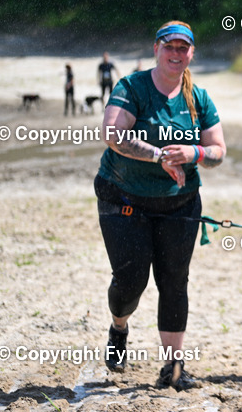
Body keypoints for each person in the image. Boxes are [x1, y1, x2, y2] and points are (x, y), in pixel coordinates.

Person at [95, 21, 226, 390]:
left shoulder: (198, 98)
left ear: (191, 54)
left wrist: (194, 152)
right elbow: (112, 134)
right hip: (123, 197)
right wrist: (159, 157)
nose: (176, 53)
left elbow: (217, 151)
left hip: (179, 204)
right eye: (170, 46)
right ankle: (119, 328)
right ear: (156, 48)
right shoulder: (132, 88)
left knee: (174, 281)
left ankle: (173, 367)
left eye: (183, 48)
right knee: (131, 279)